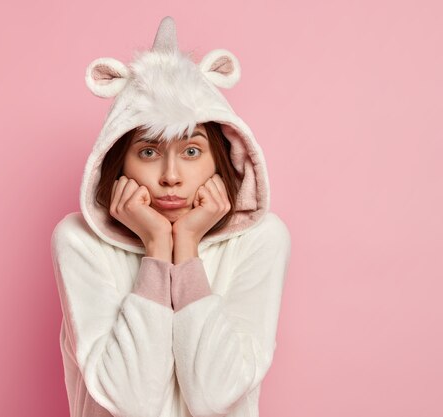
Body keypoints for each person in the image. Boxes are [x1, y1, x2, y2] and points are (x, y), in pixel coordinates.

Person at [51, 16, 292, 417]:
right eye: (148, 152)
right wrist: (157, 248)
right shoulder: (77, 240)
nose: (171, 176)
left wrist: (189, 251)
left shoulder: (262, 239)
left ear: (223, 159)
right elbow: (132, 401)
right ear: (118, 162)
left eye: (192, 151)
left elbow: (215, 396)